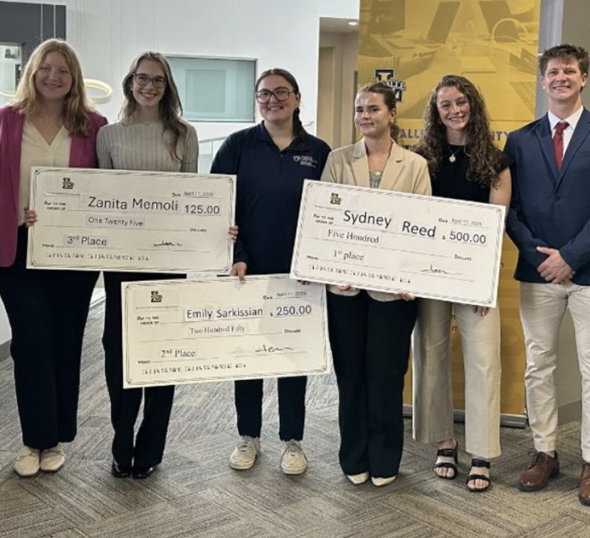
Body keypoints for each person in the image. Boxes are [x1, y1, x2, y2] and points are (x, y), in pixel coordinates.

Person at [504, 44, 590, 506]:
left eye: (570, 71)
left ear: (583, 79)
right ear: (543, 81)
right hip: (538, 271)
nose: (561, 78)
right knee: (539, 365)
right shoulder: (519, 140)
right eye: (553, 72)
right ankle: (544, 453)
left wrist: (571, 256)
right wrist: (541, 255)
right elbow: (510, 209)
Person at [0, 39, 107, 477]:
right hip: (18, 250)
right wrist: (19, 209)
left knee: (66, 341)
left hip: (74, 254)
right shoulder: (2, 121)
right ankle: (32, 439)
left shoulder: (93, 125)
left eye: (63, 71)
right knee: (31, 344)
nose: (53, 76)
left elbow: (105, 191)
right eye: (46, 68)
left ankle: (55, 438)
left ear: (74, 79)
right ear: (32, 72)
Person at [210, 68, 331, 475]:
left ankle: (292, 440)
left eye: (281, 92)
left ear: (297, 97)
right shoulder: (238, 146)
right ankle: (248, 435)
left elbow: (329, 215)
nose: (272, 99)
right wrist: (237, 254)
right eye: (264, 94)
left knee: (292, 356)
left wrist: (315, 261)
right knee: (248, 356)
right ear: (256, 100)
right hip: (248, 270)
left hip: (299, 274)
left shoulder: (318, 151)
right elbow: (219, 207)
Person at [96, 51, 199, 479]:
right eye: (142, 78)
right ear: (130, 82)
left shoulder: (184, 134)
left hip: (169, 260)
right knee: (118, 352)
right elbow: (100, 199)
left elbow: (195, 199)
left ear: (167, 86)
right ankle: (122, 444)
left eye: (158, 80)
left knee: (162, 355)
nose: (149, 86)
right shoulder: (109, 136)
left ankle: (150, 449)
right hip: (121, 262)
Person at [322, 83, 430, 487]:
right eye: (359, 109)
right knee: (350, 374)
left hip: (394, 292)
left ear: (392, 114)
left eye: (373, 109)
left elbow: (421, 227)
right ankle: (354, 454)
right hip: (346, 288)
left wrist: (410, 277)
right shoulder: (337, 160)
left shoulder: (414, 165)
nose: (365, 116)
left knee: (386, 374)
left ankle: (385, 457)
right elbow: (325, 220)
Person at [411, 75, 511, 492]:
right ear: (436, 112)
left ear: (473, 104)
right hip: (431, 275)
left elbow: (497, 224)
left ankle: (483, 452)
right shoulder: (420, 158)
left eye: (460, 101)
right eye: (445, 104)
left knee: (483, 360)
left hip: (476, 278)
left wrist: (485, 281)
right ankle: (444, 442)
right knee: (430, 357)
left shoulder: (495, 159)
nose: (454, 110)